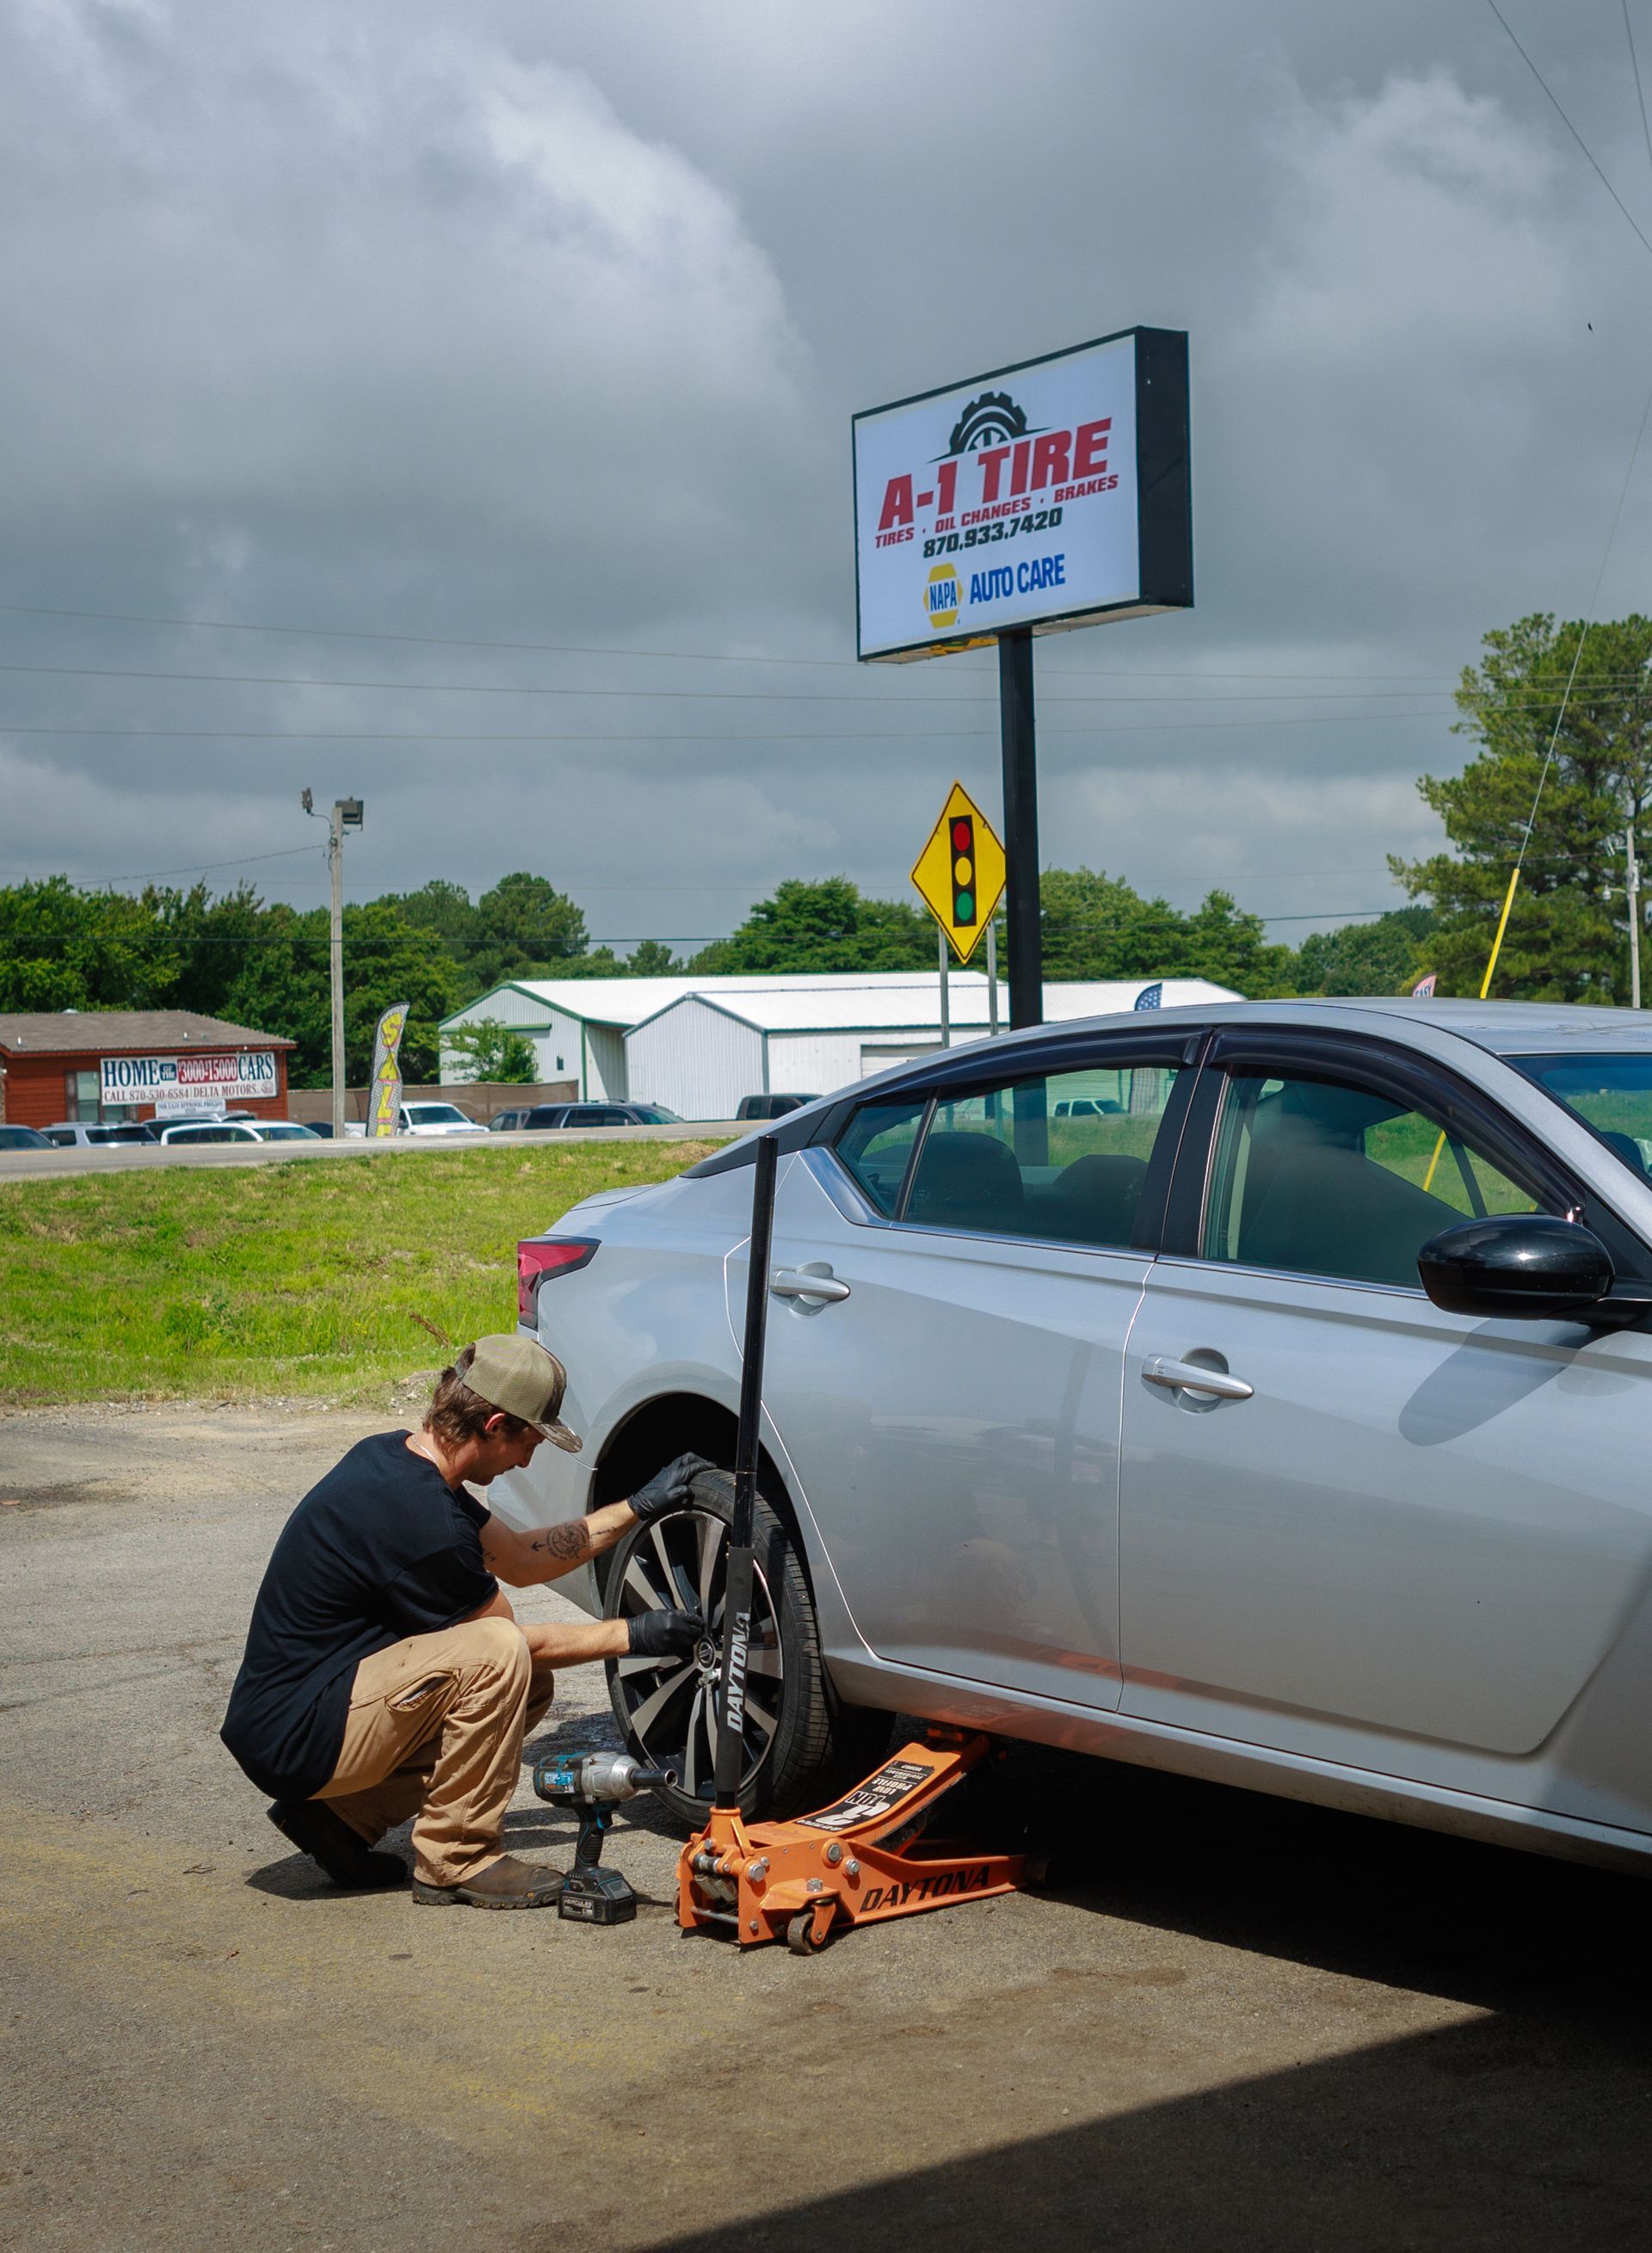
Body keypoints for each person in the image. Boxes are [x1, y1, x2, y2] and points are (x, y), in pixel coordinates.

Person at [221, 1334, 712, 1909]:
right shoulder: (421, 1518)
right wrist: (635, 1635)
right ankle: (457, 1860)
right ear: (495, 1423)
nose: (526, 1460)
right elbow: (506, 1643)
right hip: (297, 1737)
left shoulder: (400, 1462)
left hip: (305, 1711)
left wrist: (637, 1506)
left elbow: (525, 1558)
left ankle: (340, 1820)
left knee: (525, 1686)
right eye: (527, 1442)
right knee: (501, 1657)